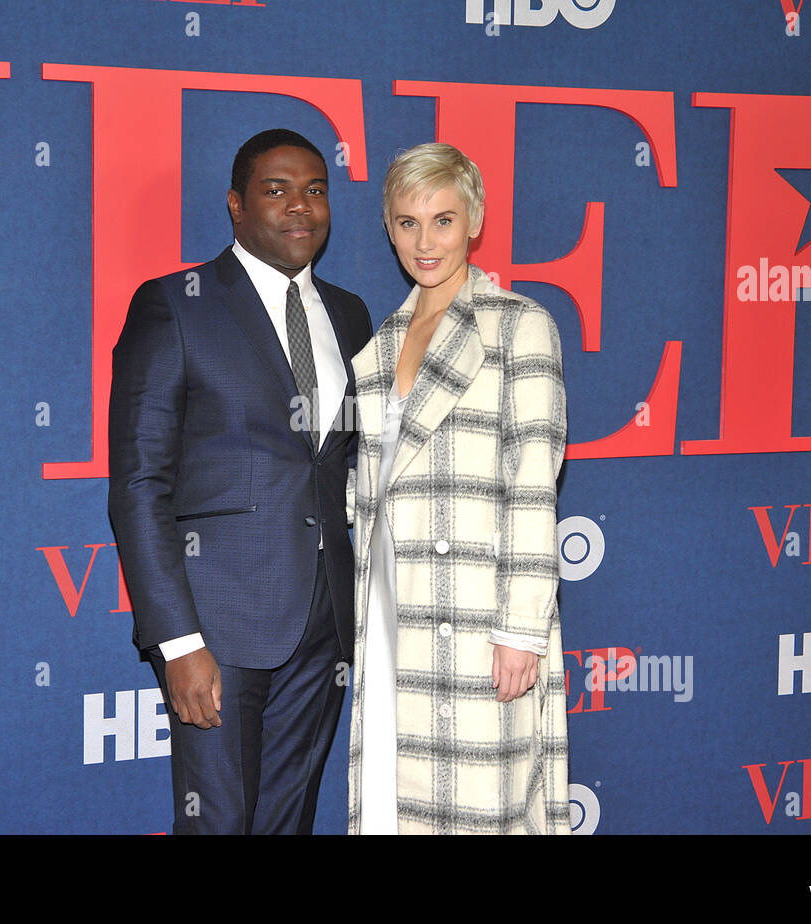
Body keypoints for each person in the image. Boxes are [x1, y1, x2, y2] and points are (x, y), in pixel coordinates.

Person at [109, 129, 373, 834]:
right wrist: (177, 642)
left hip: (323, 626)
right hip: (217, 629)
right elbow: (138, 485)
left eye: (316, 190)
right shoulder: (176, 304)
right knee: (218, 824)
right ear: (235, 204)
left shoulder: (349, 314)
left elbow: (341, 465)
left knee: (288, 822)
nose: (300, 207)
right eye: (276, 188)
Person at [348, 143, 569, 834]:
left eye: (443, 220)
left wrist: (520, 629)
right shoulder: (378, 346)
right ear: (388, 227)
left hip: (477, 612)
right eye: (408, 222)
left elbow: (535, 482)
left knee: (482, 805)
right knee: (395, 805)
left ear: (474, 220)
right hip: (390, 604)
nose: (426, 240)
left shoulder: (519, 325)